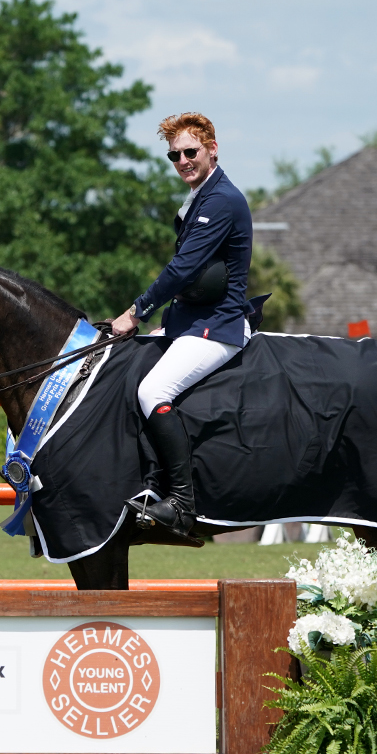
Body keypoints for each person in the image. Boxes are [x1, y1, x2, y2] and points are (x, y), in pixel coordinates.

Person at [109, 112, 253, 545]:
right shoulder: (200, 198)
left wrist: (136, 312)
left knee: (152, 392)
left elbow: (184, 269)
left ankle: (183, 506)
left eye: (191, 151)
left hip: (218, 326)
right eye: (175, 155)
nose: (183, 161)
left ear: (212, 149)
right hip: (189, 324)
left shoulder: (222, 200)